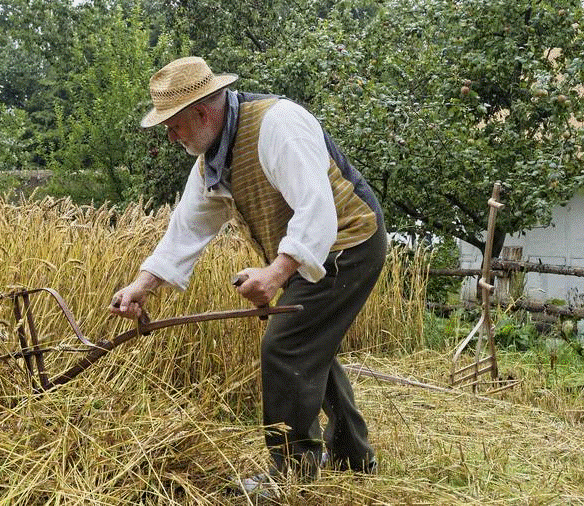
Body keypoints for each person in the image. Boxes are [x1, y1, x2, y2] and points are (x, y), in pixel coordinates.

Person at [109, 56, 385, 486]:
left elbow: (318, 210)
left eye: (174, 125)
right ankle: (353, 456)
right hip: (315, 252)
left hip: (349, 243)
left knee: (286, 348)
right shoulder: (213, 159)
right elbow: (187, 228)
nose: (170, 135)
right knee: (311, 348)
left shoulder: (279, 124)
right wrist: (143, 285)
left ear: (200, 113)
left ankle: (292, 472)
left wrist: (275, 274)